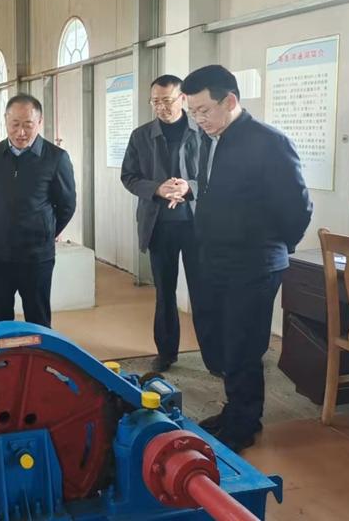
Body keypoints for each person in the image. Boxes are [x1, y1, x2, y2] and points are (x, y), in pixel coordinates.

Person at [178, 64, 312, 453]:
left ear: (230, 101)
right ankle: (234, 409)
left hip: (253, 264)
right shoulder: (212, 140)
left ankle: (244, 423)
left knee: (243, 345)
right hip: (216, 259)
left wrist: (274, 248)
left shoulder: (269, 142)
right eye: (192, 112)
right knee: (223, 341)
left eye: (203, 110)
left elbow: (298, 208)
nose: (198, 119)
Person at [121, 75, 206, 373]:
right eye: (155, 101)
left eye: (167, 100)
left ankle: (213, 355)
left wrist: (189, 187)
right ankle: (166, 353)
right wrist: (158, 188)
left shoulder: (202, 132)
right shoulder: (140, 136)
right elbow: (128, 176)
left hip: (197, 226)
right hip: (159, 226)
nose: (161, 107)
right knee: (164, 293)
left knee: (203, 292)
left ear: (182, 99)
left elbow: (216, 174)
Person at [0, 94, 76, 327]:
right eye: (15, 124)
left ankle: (38, 352)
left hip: (36, 255)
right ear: (5, 120)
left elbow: (67, 205)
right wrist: (0, 224)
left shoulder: (56, 158)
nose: (21, 132)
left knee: (38, 318)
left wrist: (46, 231)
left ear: (39, 122)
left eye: (28, 125)